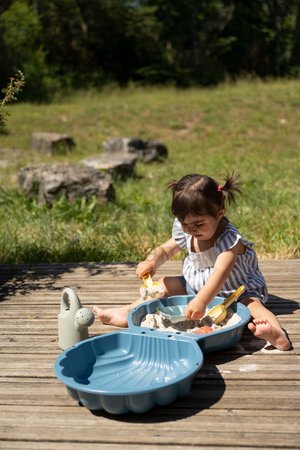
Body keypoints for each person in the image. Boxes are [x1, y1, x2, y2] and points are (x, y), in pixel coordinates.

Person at [93, 172, 291, 351]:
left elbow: (220, 275)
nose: (191, 229)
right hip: (194, 285)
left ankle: (276, 334)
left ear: (219, 214)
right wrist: (151, 260)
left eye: (198, 224)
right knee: (162, 284)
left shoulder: (229, 241)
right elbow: (165, 249)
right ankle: (126, 312)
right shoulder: (186, 228)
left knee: (254, 307)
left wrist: (201, 301)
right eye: (184, 223)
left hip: (236, 291)